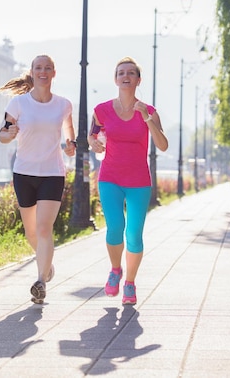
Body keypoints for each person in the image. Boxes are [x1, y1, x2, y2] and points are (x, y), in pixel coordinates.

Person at [88, 56, 169, 305]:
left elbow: (163, 145)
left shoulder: (150, 111)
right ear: (115, 79)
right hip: (110, 177)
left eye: (130, 73)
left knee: (134, 234)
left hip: (138, 181)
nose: (125, 76)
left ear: (138, 79)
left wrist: (145, 117)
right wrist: (94, 142)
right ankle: (115, 270)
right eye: (121, 72)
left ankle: (130, 283)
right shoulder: (101, 110)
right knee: (114, 227)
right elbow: (92, 137)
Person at [0, 54, 76, 304]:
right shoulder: (18, 104)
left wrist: (70, 144)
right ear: (32, 72)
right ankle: (47, 265)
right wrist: (9, 134)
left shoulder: (63, 105)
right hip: (23, 173)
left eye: (48, 68)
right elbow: (2, 134)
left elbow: (68, 130)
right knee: (31, 232)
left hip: (52, 173)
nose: (43, 72)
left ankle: (40, 281)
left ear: (54, 73)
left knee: (44, 228)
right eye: (38, 68)